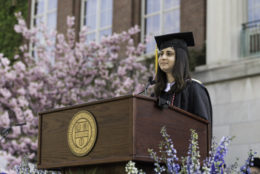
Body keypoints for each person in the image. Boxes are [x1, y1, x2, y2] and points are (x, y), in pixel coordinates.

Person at [153, 32, 212, 123]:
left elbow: (202, 126)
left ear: (180, 58)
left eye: (169, 54)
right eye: (161, 54)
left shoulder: (193, 89)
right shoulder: (157, 93)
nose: (163, 57)